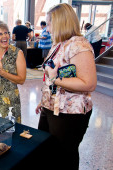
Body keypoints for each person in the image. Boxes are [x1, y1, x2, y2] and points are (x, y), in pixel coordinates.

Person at [35, 3, 97, 170]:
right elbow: (51, 77)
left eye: (49, 23)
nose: (47, 29)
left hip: (70, 113)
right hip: (52, 108)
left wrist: (56, 79)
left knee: (64, 156)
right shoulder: (59, 44)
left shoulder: (79, 45)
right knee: (49, 152)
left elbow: (88, 83)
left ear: (61, 21)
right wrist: (44, 100)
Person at [0, 21, 26, 123]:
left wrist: (2, 73)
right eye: (1, 34)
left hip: (9, 102)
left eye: (6, 33)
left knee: (9, 131)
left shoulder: (17, 53)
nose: (5, 36)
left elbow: (22, 80)